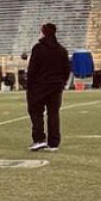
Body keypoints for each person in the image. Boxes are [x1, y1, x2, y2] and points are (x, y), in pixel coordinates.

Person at [26, 23, 70, 152]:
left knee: (35, 112)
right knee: (53, 113)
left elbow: (32, 69)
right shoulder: (62, 50)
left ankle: (39, 139)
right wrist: (62, 82)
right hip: (56, 86)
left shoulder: (38, 48)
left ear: (43, 32)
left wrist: (29, 85)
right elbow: (66, 70)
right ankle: (54, 142)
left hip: (39, 86)